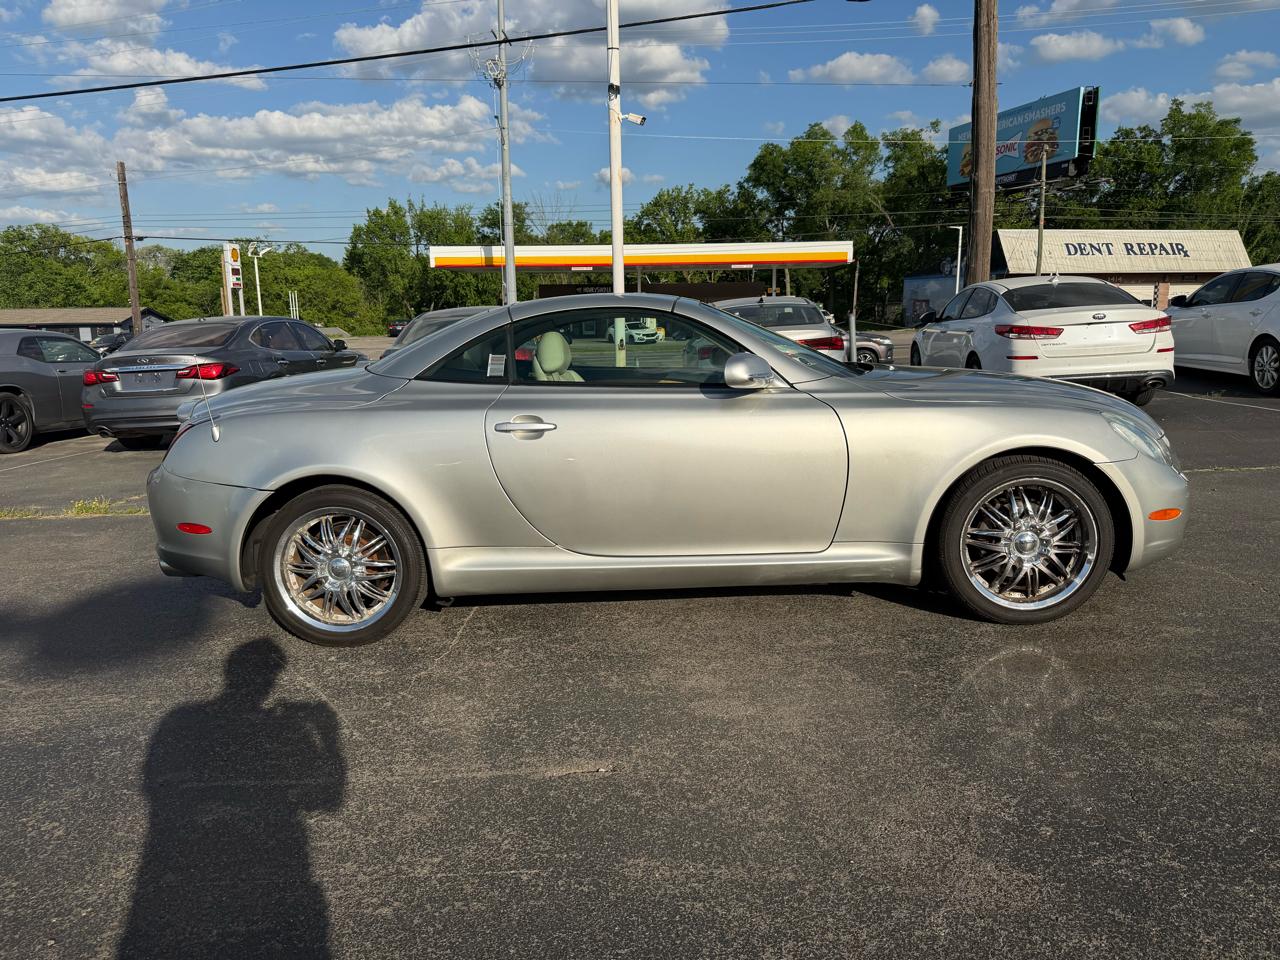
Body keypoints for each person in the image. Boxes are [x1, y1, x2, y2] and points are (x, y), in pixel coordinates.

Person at [119, 639, 345, 959]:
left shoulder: (183, 720)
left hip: (191, 880)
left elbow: (159, 786)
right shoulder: (284, 729)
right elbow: (327, 798)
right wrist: (328, 734)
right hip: (276, 871)